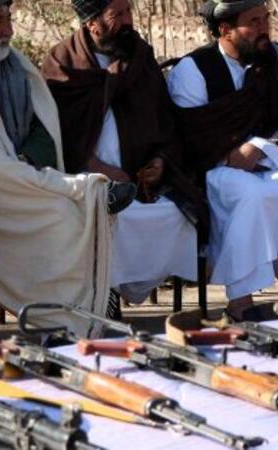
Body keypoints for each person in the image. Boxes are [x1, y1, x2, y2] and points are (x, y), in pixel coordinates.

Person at [0, 0, 137, 334]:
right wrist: (1, 167)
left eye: (9, 19)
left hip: (21, 179)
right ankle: (88, 188)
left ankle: (65, 324)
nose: (9, 31)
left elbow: (43, 126)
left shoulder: (16, 66)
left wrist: (25, 160)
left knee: (68, 216)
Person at [166, 0, 278, 319]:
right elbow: (192, 132)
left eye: (266, 18)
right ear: (226, 30)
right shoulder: (193, 69)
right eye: (254, 22)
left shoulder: (276, 59)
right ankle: (241, 302)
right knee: (251, 195)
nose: (264, 28)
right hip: (215, 168)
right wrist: (230, 153)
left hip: (268, 158)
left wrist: (258, 148)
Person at [42, 0, 202, 303]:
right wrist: (96, 167)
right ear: (93, 23)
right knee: (110, 220)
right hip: (84, 177)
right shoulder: (63, 62)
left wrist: (160, 161)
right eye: (117, 15)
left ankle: (125, 289)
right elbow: (56, 132)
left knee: (176, 216)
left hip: (140, 179)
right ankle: (105, 296)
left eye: (129, 11)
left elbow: (165, 119)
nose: (128, 21)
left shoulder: (140, 56)